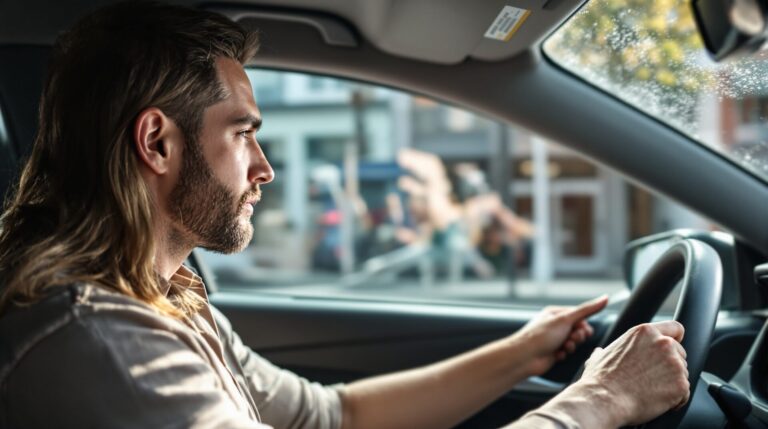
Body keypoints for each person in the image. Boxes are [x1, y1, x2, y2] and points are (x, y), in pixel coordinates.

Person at [0, 2, 690, 428]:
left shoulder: (165, 297)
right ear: (157, 142)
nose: (265, 168)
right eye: (243, 133)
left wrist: (525, 349)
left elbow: (336, 415)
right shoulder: (99, 342)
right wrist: (600, 401)